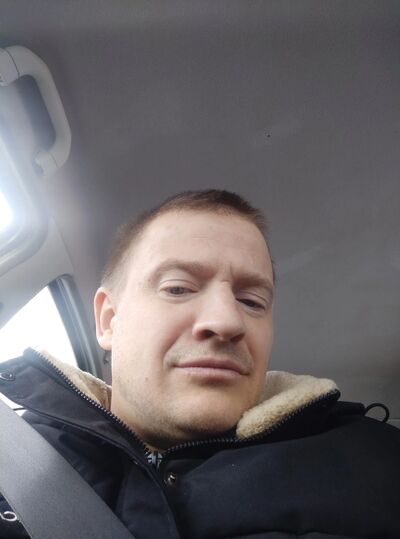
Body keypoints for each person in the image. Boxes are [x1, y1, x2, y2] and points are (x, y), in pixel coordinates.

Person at [0, 189, 399, 539]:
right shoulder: (11, 462)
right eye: (178, 288)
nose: (227, 321)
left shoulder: (380, 465)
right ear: (108, 320)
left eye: (252, 301)